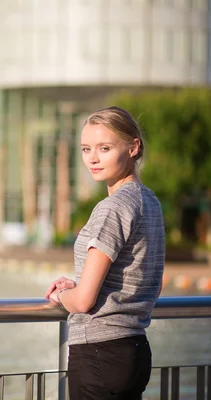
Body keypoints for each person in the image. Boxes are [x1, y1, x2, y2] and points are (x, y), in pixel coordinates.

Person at [45, 106, 165, 400]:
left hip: (100, 351)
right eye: (86, 149)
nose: (93, 158)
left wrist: (60, 296)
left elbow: (83, 302)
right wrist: (82, 283)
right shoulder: (149, 202)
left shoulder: (113, 208)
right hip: (134, 349)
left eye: (105, 148)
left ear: (133, 147)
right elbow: (137, 277)